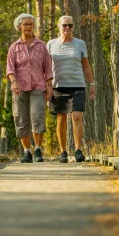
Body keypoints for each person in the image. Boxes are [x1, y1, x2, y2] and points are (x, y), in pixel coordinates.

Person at [46, 15, 96, 163]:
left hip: (78, 85)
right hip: (59, 86)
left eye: (70, 25)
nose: (67, 28)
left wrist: (92, 84)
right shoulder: (51, 44)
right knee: (61, 119)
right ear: (59, 26)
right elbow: (47, 67)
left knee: (77, 117)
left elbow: (86, 65)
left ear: (73, 27)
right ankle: (63, 152)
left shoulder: (80, 44)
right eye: (64, 25)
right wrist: (47, 85)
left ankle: (78, 150)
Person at [6, 13, 53, 163]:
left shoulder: (41, 46)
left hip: (38, 87)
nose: (28, 27)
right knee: (21, 118)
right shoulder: (14, 48)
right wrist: (14, 82)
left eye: (30, 24)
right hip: (19, 88)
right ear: (19, 26)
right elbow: (10, 69)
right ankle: (27, 152)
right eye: (25, 24)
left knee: (37, 116)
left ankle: (38, 149)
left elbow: (48, 67)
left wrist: (50, 85)